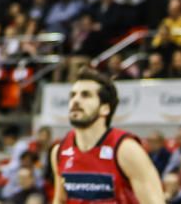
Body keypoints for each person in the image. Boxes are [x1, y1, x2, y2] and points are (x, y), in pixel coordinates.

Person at [50, 67, 163, 203]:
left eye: (86, 95)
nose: (76, 100)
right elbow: (60, 200)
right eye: (73, 95)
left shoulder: (126, 150)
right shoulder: (59, 151)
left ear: (105, 109)